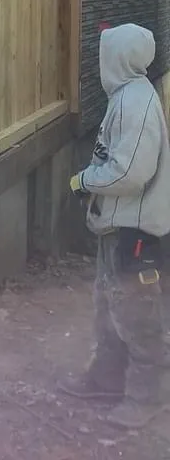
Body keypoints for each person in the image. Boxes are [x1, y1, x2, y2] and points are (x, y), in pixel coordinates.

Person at [61, 23, 170, 429]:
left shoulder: (137, 103)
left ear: (119, 56)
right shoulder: (125, 97)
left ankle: (148, 397)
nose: (98, 60)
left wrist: (85, 180)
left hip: (136, 229)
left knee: (138, 314)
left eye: (105, 52)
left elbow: (132, 172)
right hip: (116, 224)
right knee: (108, 306)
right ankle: (106, 378)